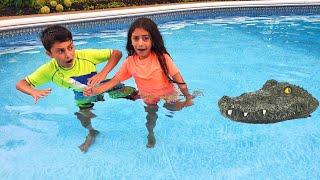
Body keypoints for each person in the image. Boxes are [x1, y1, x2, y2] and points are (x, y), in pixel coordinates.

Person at [16, 25, 137, 153]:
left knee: (133, 94)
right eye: (60, 51)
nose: (68, 55)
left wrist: (103, 73)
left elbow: (116, 54)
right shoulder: (48, 70)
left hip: (102, 85)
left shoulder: (85, 55)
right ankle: (91, 132)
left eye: (70, 47)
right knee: (84, 115)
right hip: (82, 94)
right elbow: (21, 84)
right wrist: (33, 91)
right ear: (49, 54)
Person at [84, 17, 194, 148]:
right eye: (136, 38)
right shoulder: (130, 62)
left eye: (145, 38)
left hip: (167, 92)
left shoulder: (162, 58)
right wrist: (94, 91)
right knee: (151, 116)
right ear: (130, 41)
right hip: (148, 96)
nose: (140, 43)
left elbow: (179, 80)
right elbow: (114, 81)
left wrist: (187, 97)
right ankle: (151, 133)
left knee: (171, 107)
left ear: (153, 40)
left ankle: (187, 101)